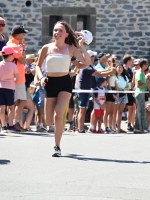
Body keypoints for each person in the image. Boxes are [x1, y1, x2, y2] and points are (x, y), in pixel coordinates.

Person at [36, 21, 92, 157]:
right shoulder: (46, 48)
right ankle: (56, 129)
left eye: (60, 30)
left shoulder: (71, 48)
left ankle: (57, 146)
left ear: (66, 34)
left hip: (64, 83)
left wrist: (81, 47)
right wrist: (41, 78)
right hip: (49, 82)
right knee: (49, 121)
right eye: (55, 30)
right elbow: (38, 66)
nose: (57, 33)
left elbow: (86, 62)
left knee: (58, 114)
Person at [6, 25, 28, 132]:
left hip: (18, 77)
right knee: (15, 102)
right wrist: (23, 50)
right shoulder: (13, 45)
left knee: (18, 101)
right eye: (23, 34)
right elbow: (23, 61)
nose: (23, 36)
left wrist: (23, 49)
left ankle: (14, 123)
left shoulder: (15, 44)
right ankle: (12, 124)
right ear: (18, 35)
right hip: (16, 77)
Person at [0, 46, 19, 132]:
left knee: (2, 107)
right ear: (11, 55)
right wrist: (14, 80)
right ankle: (10, 125)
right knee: (11, 107)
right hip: (10, 87)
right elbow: (17, 78)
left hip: (0, 87)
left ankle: (3, 126)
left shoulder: (0, 64)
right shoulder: (13, 65)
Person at [134, 58, 148, 133]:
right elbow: (138, 85)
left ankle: (141, 128)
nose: (146, 66)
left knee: (142, 111)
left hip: (142, 93)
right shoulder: (139, 73)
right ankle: (138, 128)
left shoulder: (142, 73)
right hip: (139, 93)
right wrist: (147, 84)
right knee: (140, 111)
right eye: (145, 64)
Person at [114, 64, 129, 133]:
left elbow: (128, 86)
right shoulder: (114, 77)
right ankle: (113, 127)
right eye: (119, 67)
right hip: (117, 95)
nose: (120, 69)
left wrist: (124, 89)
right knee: (114, 112)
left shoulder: (124, 77)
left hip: (123, 95)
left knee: (120, 112)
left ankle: (119, 128)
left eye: (121, 68)